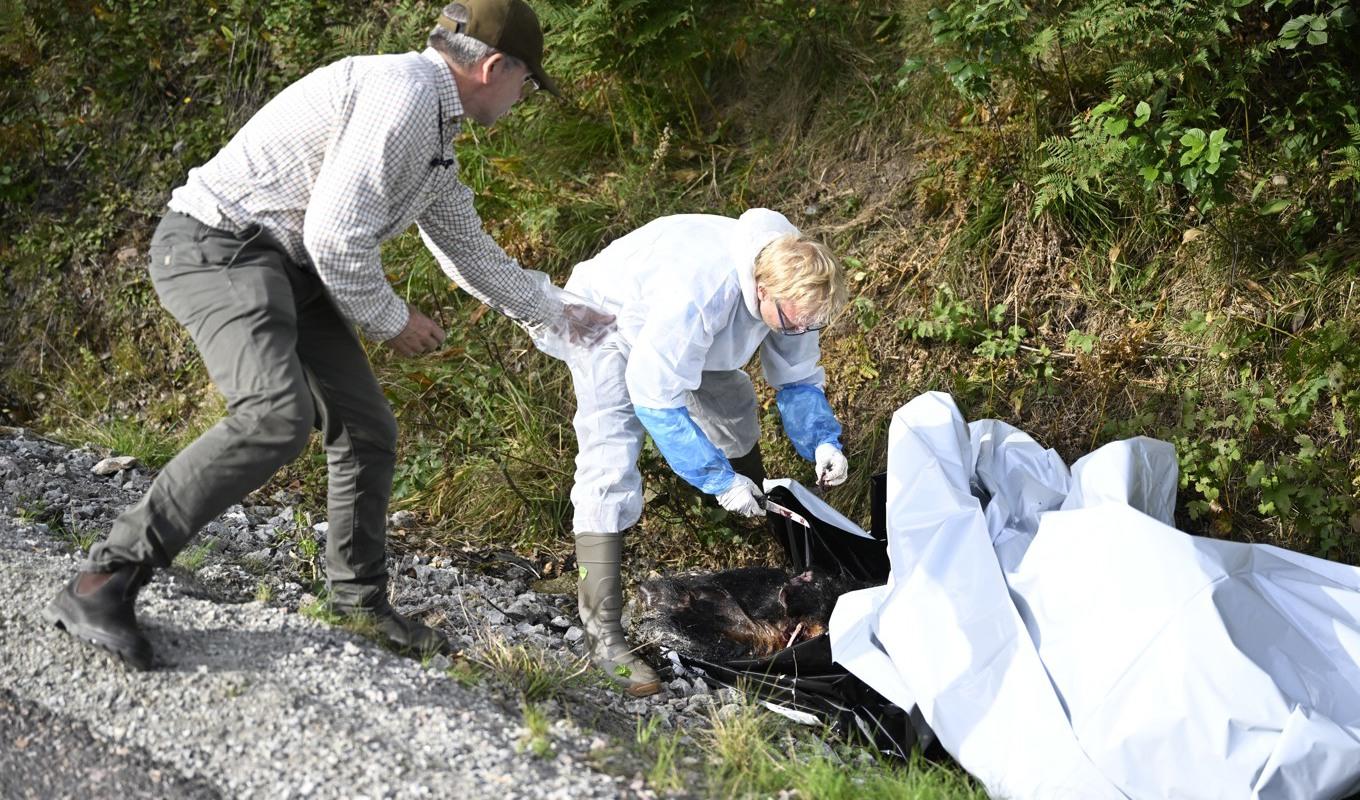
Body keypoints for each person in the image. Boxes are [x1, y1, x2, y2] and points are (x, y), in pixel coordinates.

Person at [42, 0, 613, 669]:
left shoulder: (434, 140)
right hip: (217, 246)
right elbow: (336, 239)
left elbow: (472, 253)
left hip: (284, 265)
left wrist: (563, 313)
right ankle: (103, 579)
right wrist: (393, 321)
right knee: (273, 418)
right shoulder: (399, 97)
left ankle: (357, 603)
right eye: (527, 83)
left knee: (366, 426)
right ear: (493, 67)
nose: (524, 98)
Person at [561, 208, 851, 694]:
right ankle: (601, 632)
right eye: (790, 323)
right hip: (606, 322)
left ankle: (752, 535)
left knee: (734, 405)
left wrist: (823, 439)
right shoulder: (701, 293)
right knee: (609, 459)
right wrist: (717, 481)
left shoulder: (797, 290)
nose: (796, 332)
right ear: (762, 290)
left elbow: (797, 376)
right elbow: (656, 398)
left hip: (685, 340)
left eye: (807, 326)